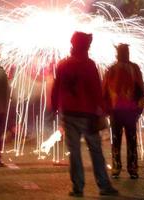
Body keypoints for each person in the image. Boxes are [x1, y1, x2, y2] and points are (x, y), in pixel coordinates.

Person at [51, 31, 118, 197]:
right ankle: (103, 185)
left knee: (74, 152)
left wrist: (54, 107)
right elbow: (97, 90)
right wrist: (103, 109)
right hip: (88, 115)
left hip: (68, 113)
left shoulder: (63, 64)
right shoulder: (89, 65)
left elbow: (56, 88)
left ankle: (77, 187)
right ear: (85, 46)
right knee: (95, 150)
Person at [102, 44, 144, 179]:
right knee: (130, 140)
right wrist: (139, 108)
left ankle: (117, 167)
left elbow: (104, 91)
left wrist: (106, 109)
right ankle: (131, 168)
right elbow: (141, 90)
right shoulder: (134, 68)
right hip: (128, 111)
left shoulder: (112, 69)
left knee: (117, 140)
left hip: (118, 111)